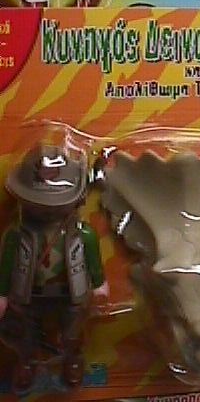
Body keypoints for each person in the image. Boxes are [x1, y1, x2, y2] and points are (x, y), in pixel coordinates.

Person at [0, 144, 108, 392]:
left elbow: (92, 259)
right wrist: (2, 294)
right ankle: (27, 362)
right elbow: (6, 265)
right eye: (38, 203)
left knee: (72, 333)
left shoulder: (82, 234)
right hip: (28, 296)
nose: (48, 209)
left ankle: (72, 360)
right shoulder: (16, 235)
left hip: (70, 294)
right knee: (26, 334)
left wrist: (99, 283)